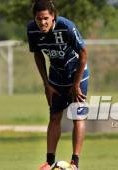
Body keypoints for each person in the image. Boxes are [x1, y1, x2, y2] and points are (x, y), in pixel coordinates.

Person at [26, 0, 89, 169]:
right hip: (56, 77)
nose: (42, 22)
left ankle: (75, 163)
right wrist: (47, 85)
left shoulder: (67, 26)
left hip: (77, 75)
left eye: (46, 18)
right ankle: (49, 161)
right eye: (39, 19)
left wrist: (76, 85)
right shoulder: (32, 29)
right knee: (54, 116)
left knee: (78, 116)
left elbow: (84, 53)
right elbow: (38, 55)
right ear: (35, 18)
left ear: (53, 16)